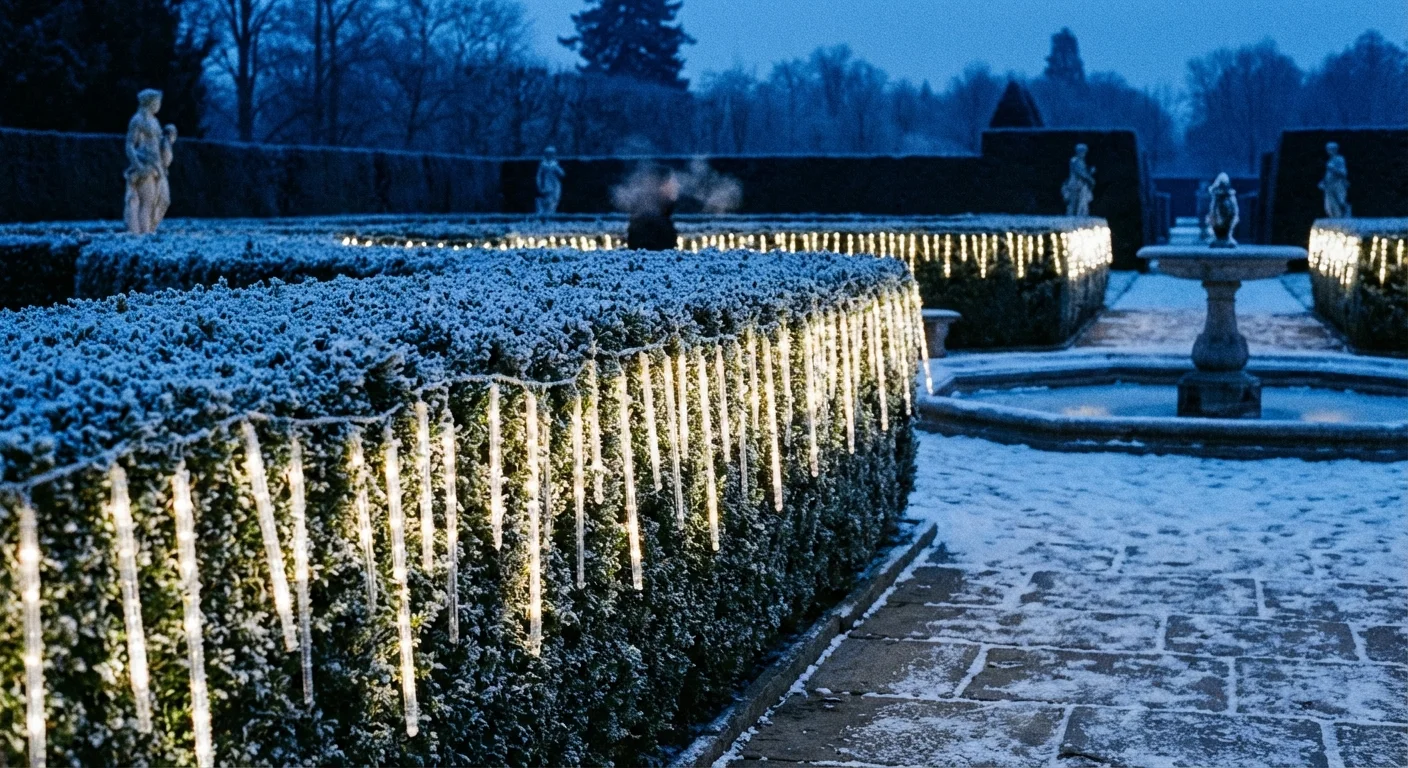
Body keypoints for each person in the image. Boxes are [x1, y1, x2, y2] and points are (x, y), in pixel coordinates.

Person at [124, 89, 165, 234]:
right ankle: (143, 234)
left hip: (155, 165)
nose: (159, 105)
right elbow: (129, 145)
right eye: (157, 102)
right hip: (144, 164)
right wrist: (138, 166)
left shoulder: (154, 120)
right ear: (150, 102)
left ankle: (146, 232)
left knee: (154, 203)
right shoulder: (138, 120)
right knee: (146, 203)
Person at [1061, 144, 1096, 217]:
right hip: (1074, 184)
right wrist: (1090, 178)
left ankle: (1079, 218)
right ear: (1078, 151)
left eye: (1085, 152)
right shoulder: (1074, 160)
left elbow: (1083, 173)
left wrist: (1090, 173)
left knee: (1081, 203)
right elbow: (1080, 172)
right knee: (1073, 203)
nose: (1084, 153)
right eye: (1082, 151)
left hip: (1080, 184)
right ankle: (1069, 219)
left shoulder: (1081, 161)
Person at [1319, 142, 1351, 218]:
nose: (1329, 151)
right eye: (1328, 149)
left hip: (1338, 183)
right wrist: (1323, 181)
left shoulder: (1339, 159)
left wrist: (1332, 168)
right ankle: (1335, 217)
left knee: (1340, 201)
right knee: (1330, 203)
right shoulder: (1330, 160)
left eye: (1330, 149)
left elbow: (1343, 172)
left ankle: (1345, 214)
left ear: (1335, 149)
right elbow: (1328, 174)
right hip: (1329, 184)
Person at [535, 146, 565, 216]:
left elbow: (562, 174)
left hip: (555, 184)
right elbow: (539, 175)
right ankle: (546, 215)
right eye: (549, 154)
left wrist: (557, 167)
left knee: (555, 199)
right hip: (548, 184)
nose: (551, 155)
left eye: (552, 154)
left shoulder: (554, 164)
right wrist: (539, 185)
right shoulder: (543, 164)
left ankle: (549, 215)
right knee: (549, 200)